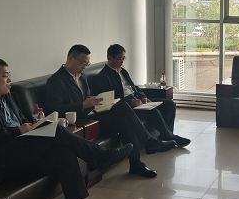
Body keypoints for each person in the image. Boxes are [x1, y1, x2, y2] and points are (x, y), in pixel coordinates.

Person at [0, 57, 133, 199]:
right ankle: (101, 155)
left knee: (64, 153)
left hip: (18, 150)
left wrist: (34, 126)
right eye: (5, 76)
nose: (9, 80)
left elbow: (22, 120)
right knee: (56, 130)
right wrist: (17, 131)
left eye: (9, 75)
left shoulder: (7, 97)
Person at [45, 45, 175, 178]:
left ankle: (136, 163)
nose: (84, 67)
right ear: (70, 58)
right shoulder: (56, 81)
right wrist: (83, 105)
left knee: (123, 118)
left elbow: (86, 99)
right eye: (83, 63)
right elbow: (54, 109)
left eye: (87, 64)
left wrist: (96, 101)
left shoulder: (82, 77)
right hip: (81, 121)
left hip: (94, 114)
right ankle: (148, 143)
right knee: (123, 107)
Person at [93, 44, 191, 148]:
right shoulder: (104, 76)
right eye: (119, 59)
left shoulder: (122, 71)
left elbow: (134, 87)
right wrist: (131, 102)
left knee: (170, 104)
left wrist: (143, 97)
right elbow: (111, 100)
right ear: (110, 58)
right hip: (127, 106)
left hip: (137, 99)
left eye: (123, 58)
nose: (122, 62)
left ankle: (166, 136)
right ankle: (170, 137)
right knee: (153, 111)